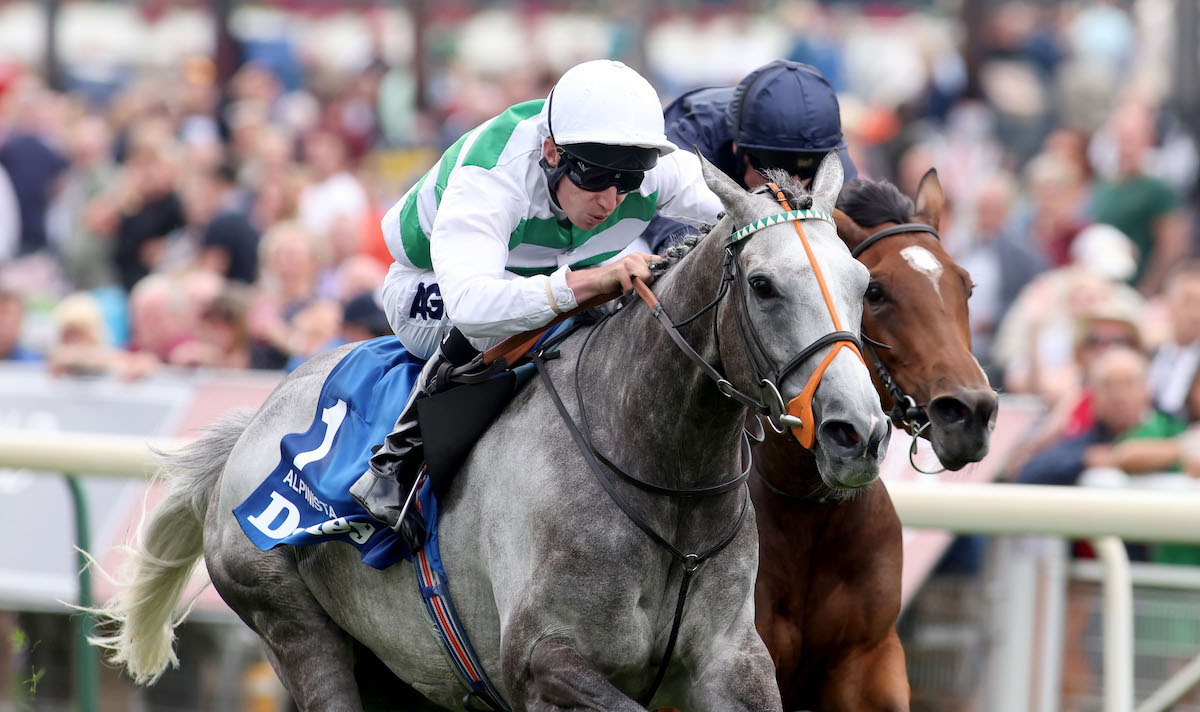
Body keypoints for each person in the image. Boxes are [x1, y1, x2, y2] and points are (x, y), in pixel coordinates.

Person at [350, 60, 723, 537]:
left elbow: (746, 209)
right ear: (551, 152)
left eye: (628, 181)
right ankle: (394, 462)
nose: (611, 200)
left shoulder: (643, 169)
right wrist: (588, 283)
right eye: (596, 178)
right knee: (516, 319)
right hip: (432, 290)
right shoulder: (490, 177)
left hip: (543, 276)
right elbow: (472, 305)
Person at [640, 60, 856, 252]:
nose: (791, 183)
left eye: (808, 168)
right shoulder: (692, 135)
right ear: (737, 148)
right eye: (775, 168)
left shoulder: (829, 153)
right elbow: (669, 230)